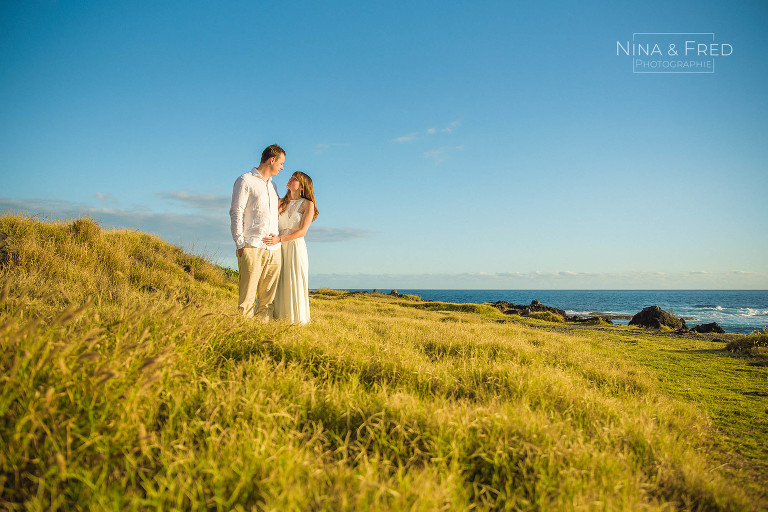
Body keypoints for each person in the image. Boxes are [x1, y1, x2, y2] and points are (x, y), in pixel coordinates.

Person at [229, 144, 285, 320]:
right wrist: (240, 243)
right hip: (252, 246)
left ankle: (261, 338)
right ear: (272, 160)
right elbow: (236, 212)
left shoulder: (273, 186)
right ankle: (242, 337)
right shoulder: (245, 180)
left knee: (268, 302)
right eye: (281, 163)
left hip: (273, 251)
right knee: (247, 299)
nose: (282, 167)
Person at [263, 171, 318, 324]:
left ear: (302, 186)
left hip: (295, 247)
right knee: (275, 280)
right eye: (291, 177)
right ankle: (272, 317)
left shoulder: (308, 204)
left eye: (294, 179)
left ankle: (294, 320)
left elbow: (302, 232)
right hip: (277, 247)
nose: (290, 179)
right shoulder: (280, 202)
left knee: (293, 280)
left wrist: (279, 239)